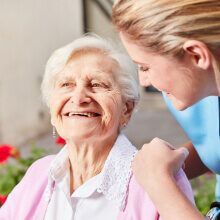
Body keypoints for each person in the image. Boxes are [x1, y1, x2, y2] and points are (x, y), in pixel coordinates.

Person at [0, 35, 194, 220]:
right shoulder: (39, 173)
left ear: (126, 109)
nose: (78, 98)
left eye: (97, 84)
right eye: (66, 84)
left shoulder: (160, 178)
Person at [112, 0, 220, 219]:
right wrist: (167, 167)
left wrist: (158, 181)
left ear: (196, 55)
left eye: (145, 67)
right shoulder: (200, 91)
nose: (143, 81)